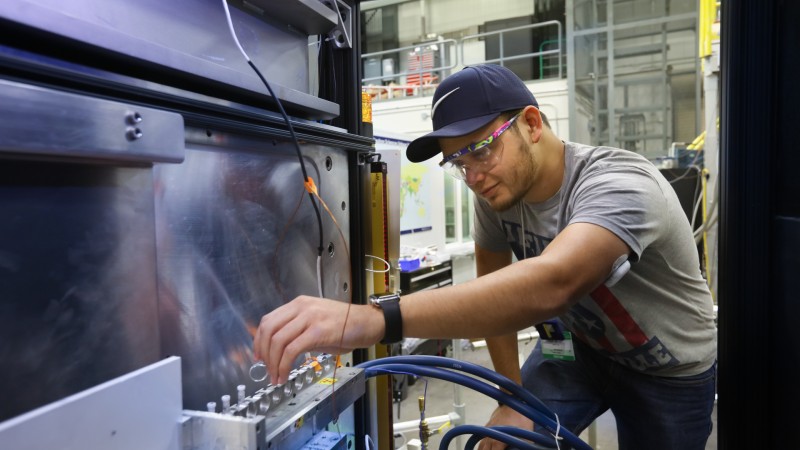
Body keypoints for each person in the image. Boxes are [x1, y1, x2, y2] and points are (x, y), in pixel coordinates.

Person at [254, 64, 717, 450]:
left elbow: (555, 282)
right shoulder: (496, 192)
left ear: (532, 125)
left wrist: (375, 319)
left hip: (668, 369)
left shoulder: (619, 183)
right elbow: (493, 293)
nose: (472, 176)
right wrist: (510, 395)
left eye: (480, 149)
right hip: (579, 350)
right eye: (459, 163)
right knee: (500, 441)